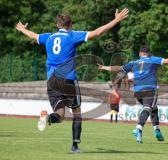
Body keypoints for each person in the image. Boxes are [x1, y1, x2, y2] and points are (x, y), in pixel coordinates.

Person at [15, 9, 129, 153]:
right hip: (68, 80)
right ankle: (75, 146)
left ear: (57, 24)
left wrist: (22, 29)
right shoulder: (72, 36)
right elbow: (97, 32)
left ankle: (47, 118)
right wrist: (116, 20)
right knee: (76, 113)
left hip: (52, 81)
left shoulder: (49, 37)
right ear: (71, 24)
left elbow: (33, 35)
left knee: (60, 115)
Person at [98, 46, 168, 143]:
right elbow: (167, 61)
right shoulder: (152, 59)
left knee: (153, 108)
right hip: (150, 89)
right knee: (147, 108)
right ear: (149, 53)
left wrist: (103, 67)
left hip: (137, 92)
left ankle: (157, 130)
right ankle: (138, 128)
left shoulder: (134, 63)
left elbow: (119, 68)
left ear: (140, 54)